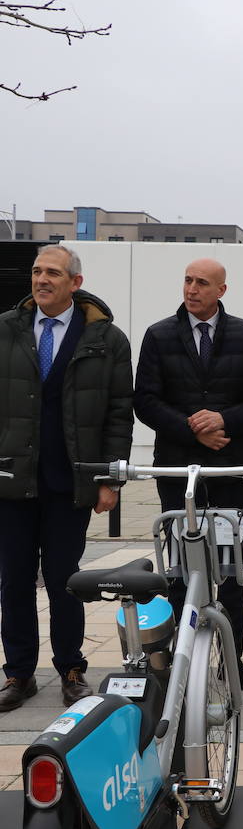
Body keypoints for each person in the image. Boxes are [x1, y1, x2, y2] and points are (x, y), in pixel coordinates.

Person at [133, 258, 243, 691]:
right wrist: (192, 429)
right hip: (179, 470)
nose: (192, 289)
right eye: (187, 280)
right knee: (180, 570)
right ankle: (182, 662)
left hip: (232, 470)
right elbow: (145, 401)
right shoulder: (159, 335)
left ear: (221, 290)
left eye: (201, 283)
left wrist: (224, 420)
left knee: (231, 573)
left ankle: (232, 661)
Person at [0, 244, 133, 711]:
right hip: (13, 480)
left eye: (53, 273)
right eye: (37, 271)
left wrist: (110, 479)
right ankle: (18, 674)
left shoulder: (107, 339)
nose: (41, 280)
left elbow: (119, 413)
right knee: (14, 580)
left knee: (65, 580)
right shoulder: (6, 329)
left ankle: (71, 669)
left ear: (75, 282)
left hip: (70, 481)